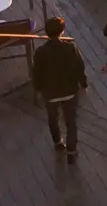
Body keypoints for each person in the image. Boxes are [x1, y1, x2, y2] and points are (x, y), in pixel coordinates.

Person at [32, 15, 87, 159]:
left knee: (53, 118)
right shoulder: (70, 47)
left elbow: (37, 73)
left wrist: (38, 89)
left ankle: (58, 142)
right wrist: (83, 83)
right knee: (71, 121)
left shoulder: (40, 52)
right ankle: (71, 151)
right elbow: (79, 67)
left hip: (50, 93)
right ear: (62, 31)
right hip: (69, 90)